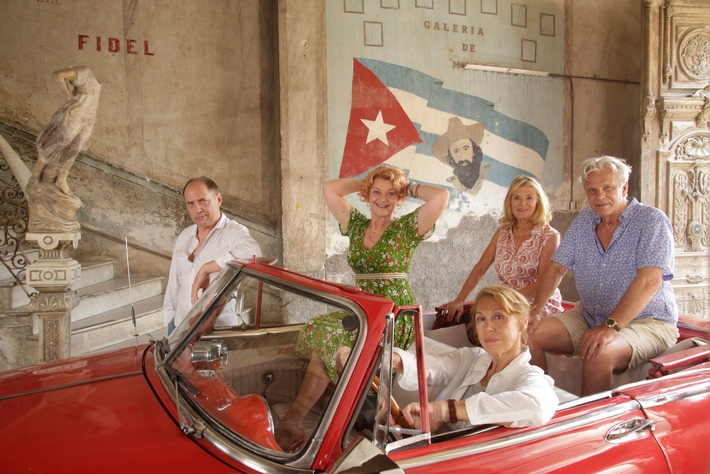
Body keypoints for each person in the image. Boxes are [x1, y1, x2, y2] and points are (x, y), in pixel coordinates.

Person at [275, 165, 448, 451]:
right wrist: (365, 183)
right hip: (362, 309)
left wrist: (410, 186)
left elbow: (440, 196)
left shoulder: (406, 227)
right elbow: (329, 188)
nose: (383, 199)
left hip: (393, 313)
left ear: (399, 197)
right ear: (368, 195)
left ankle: (314, 420)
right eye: (377, 192)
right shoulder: (356, 224)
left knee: (332, 339)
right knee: (324, 334)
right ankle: (309, 421)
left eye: (391, 193)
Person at [528, 156, 679, 396]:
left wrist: (610, 327)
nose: (599, 197)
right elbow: (556, 268)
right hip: (589, 315)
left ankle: (590, 428)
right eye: (592, 190)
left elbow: (650, 281)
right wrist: (535, 311)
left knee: (599, 351)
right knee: (529, 334)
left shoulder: (651, 221)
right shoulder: (584, 222)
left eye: (607, 188)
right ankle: (539, 404)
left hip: (648, 322)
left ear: (624, 187)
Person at [391, 285, 558, 432]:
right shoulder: (472, 358)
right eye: (481, 319)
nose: (488, 327)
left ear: (522, 322)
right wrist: (392, 359)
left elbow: (536, 406)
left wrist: (446, 412)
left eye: (498, 316)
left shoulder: (529, 376)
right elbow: (434, 366)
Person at [440, 175, 563, 324]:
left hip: (537, 304)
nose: (522, 203)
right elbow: (480, 268)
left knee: (503, 327)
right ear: (509, 202)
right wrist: (459, 300)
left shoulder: (549, 236)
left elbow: (543, 282)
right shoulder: (503, 232)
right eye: (516, 198)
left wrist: (505, 300)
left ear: (538, 202)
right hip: (504, 304)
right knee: (472, 326)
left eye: (529, 198)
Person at [162, 177, 262, 333]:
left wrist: (208, 268)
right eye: (191, 204)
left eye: (203, 201)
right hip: (180, 329)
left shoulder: (232, 232)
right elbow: (174, 284)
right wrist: (169, 322)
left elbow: (254, 251)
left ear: (219, 199)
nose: (198, 209)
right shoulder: (184, 236)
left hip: (217, 329)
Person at [27, 66, 101, 233]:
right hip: (76, 113)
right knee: (58, 143)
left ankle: (61, 179)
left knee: (74, 149)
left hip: (89, 116)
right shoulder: (86, 71)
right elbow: (58, 74)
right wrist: (70, 98)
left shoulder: (94, 78)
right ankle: (37, 174)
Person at [432, 117, 486, 191]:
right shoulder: (448, 182)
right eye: (456, 151)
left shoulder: (487, 172)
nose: (462, 157)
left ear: (474, 150)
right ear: (451, 157)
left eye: (466, 148)